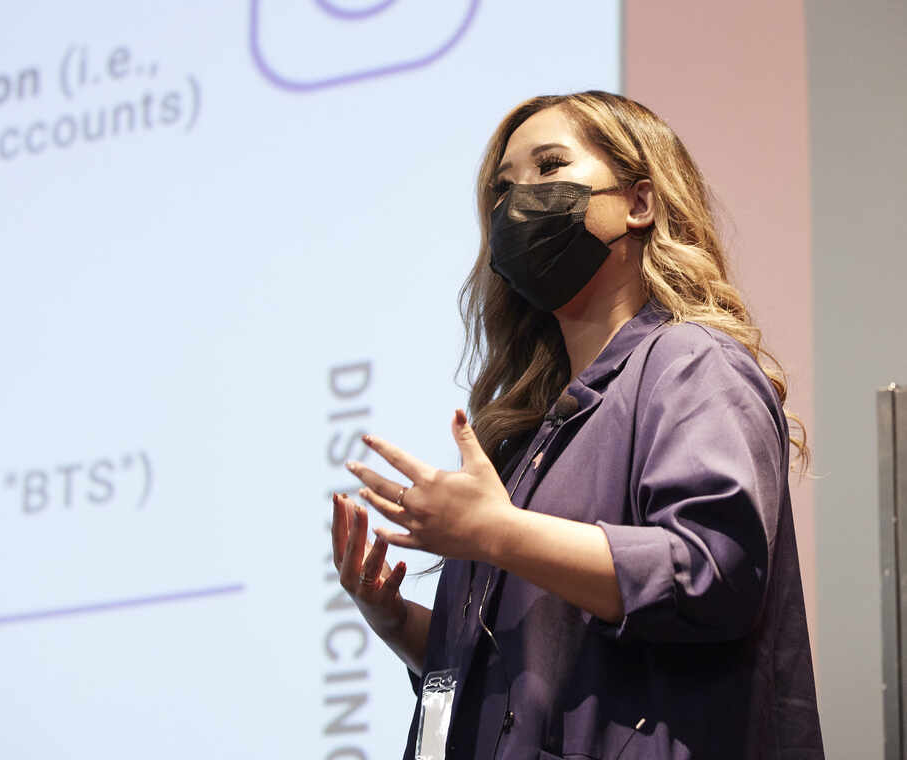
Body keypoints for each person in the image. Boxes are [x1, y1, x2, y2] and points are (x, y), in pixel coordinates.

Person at [330, 90, 824, 759]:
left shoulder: (692, 363)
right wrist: (395, 621)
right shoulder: (528, 434)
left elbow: (710, 574)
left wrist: (498, 533)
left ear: (640, 203)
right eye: (503, 189)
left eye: (550, 167)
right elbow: (518, 670)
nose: (516, 203)